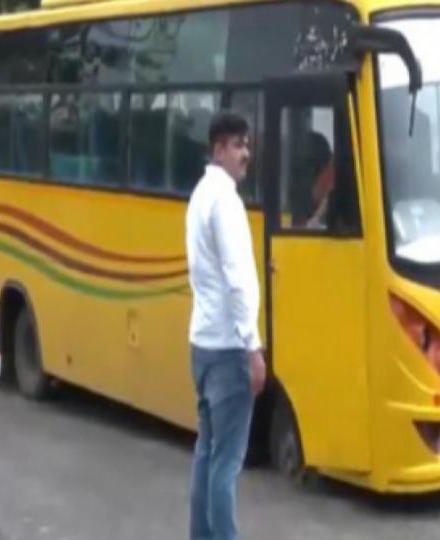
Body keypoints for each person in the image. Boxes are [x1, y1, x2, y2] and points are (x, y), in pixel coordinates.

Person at [185, 112, 266, 540]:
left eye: (246, 145)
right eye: (238, 145)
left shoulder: (199, 195)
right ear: (218, 149)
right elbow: (237, 279)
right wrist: (253, 348)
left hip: (201, 344)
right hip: (229, 347)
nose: (245, 154)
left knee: (206, 451)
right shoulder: (227, 202)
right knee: (226, 464)